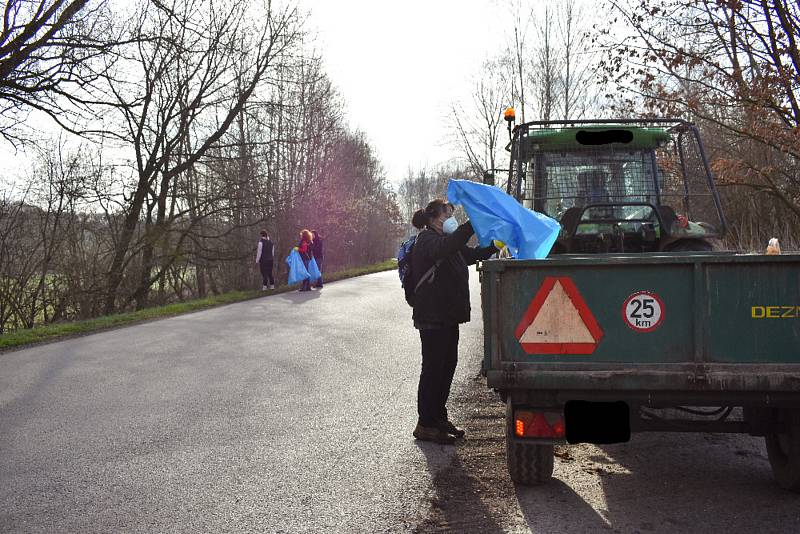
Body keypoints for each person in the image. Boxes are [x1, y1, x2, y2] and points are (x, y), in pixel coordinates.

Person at [410, 199, 498, 444]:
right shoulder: (427, 240)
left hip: (447, 317)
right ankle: (425, 424)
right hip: (432, 318)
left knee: (447, 366)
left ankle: (438, 417)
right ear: (434, 218)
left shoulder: (448, 242)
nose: (452, 217)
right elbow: (446, 248)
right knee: (433, 369)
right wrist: (472, 224)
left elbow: (470, 255)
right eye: (448, 213)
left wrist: (493, 246)